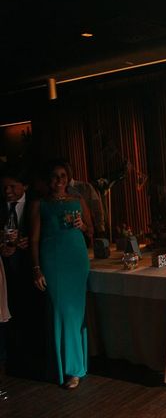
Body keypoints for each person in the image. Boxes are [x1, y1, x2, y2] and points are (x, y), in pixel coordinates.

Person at [29, 159, 93, 389]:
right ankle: (65, 367)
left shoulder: (78, 200)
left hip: (76, 259)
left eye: (63, 176)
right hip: (53, 261)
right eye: (55, 176)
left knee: (75, 314)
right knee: (60, 312)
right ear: (49, 179)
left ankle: (75, 369)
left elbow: (92, 231)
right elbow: (34, 239)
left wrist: (82, 226)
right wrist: (36, 268)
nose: (59, 180)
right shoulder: (39, 204)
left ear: (68, 179)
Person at [0, 167, 46, 378]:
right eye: (4, 187)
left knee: (33, 315)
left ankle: (35, 362)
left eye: (12, 186)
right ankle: (15, 362)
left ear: (24, 186)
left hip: (31, 269)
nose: (7, 191)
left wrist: (32, 242)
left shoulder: (36, 204)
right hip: (6, 272)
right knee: (11, 318)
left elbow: (47, 233)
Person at [66, 162, 105, 239]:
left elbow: (97, 207)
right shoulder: (56, 192)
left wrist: (101, 228)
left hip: (86, 230)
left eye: (68, 170)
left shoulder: (85, 187)